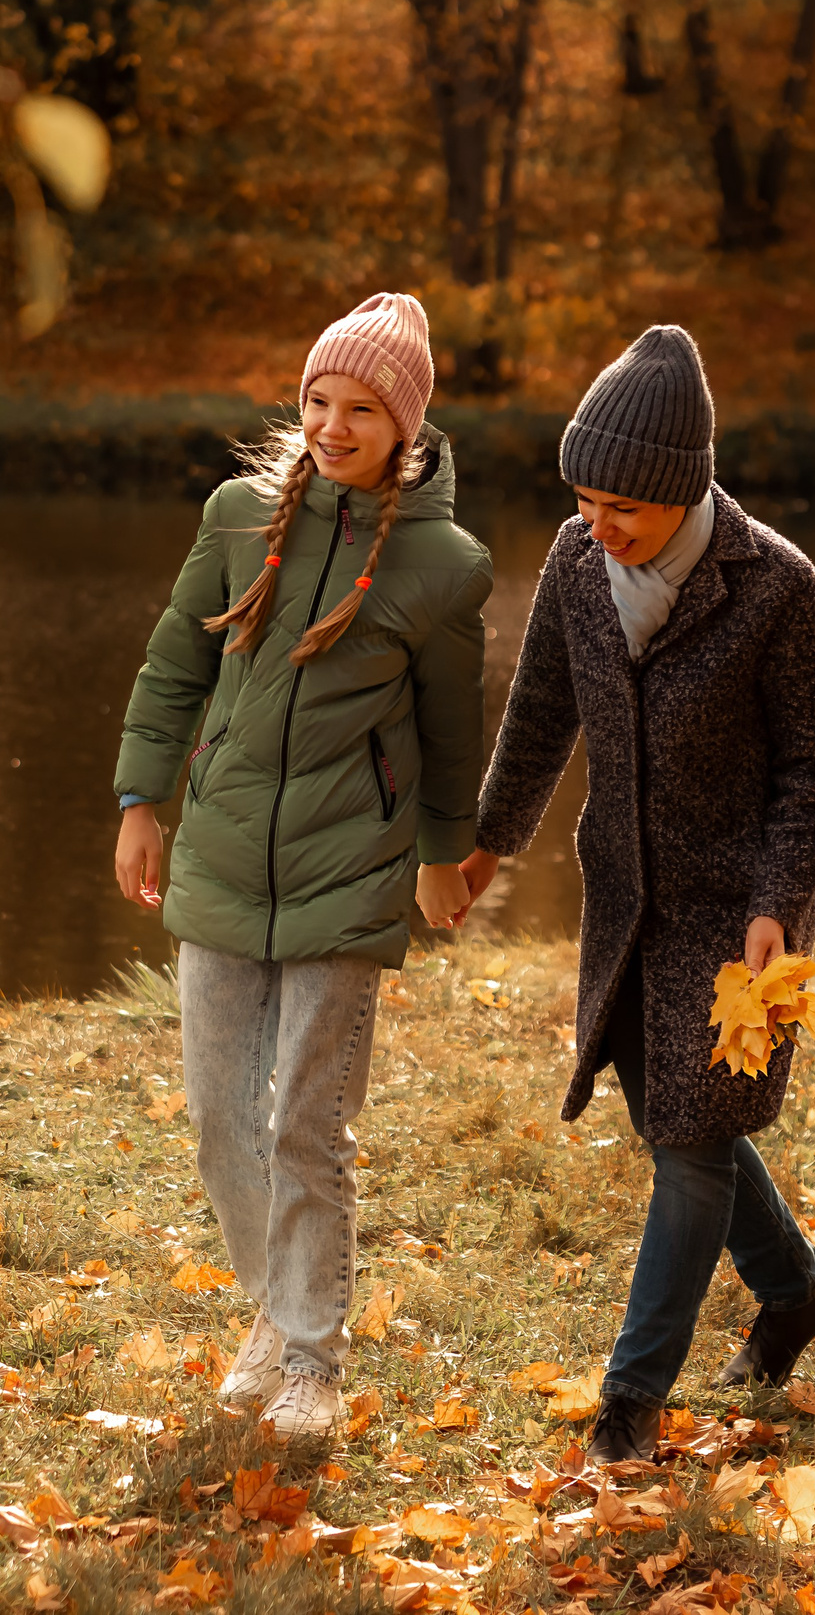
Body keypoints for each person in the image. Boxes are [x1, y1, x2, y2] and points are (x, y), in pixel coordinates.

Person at [457, 325, 815, 1465]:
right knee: (678, 1121)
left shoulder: (776, 588)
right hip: (629, 902)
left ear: (682, 491)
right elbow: (539, 721)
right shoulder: (580, 572)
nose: (597, 521)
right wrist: (488, 848)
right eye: (582, 496)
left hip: (744, 923)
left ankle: (629, 1403)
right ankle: (797, 1294)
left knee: (687, 1144)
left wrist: (779, 899)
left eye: (621, 503)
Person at [110, 293, 493, 1441]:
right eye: (320, 399)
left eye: (363, 407)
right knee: (221, 1118)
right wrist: (142, 798)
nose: (334, 423)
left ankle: (313, 1362)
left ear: (405, 425)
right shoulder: (236, 517)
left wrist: (439, 858)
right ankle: (273, 1316)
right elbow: (176, 660)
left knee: (304, 1125)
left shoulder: (443, 564)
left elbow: (449, 729)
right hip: (224, 854)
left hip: (350, 869)